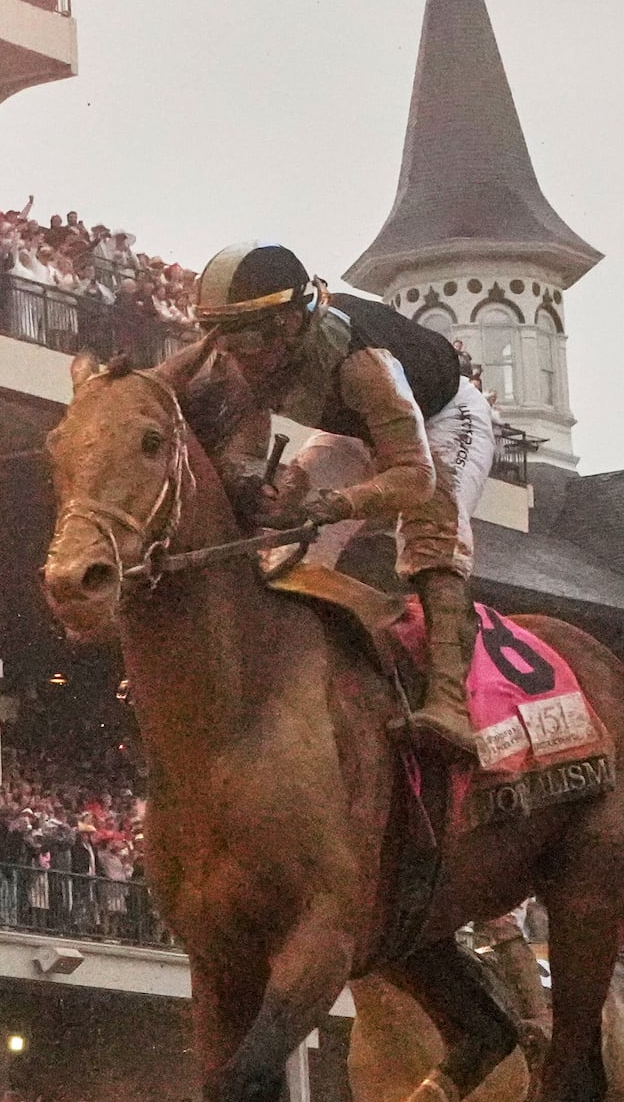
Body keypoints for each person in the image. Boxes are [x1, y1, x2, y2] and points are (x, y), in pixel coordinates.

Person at [185, 242, 497, 759]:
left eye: (247, 337)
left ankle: (449, 703)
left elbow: (413, 477)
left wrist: (337, 504)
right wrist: (248, 481)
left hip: (441, 418)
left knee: (431, 525)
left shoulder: (363, 364)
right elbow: (242, 446)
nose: (234, 355)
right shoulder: (246, 356)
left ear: (289, 324)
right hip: (354, 431)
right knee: (279, 544)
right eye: (222, 337)